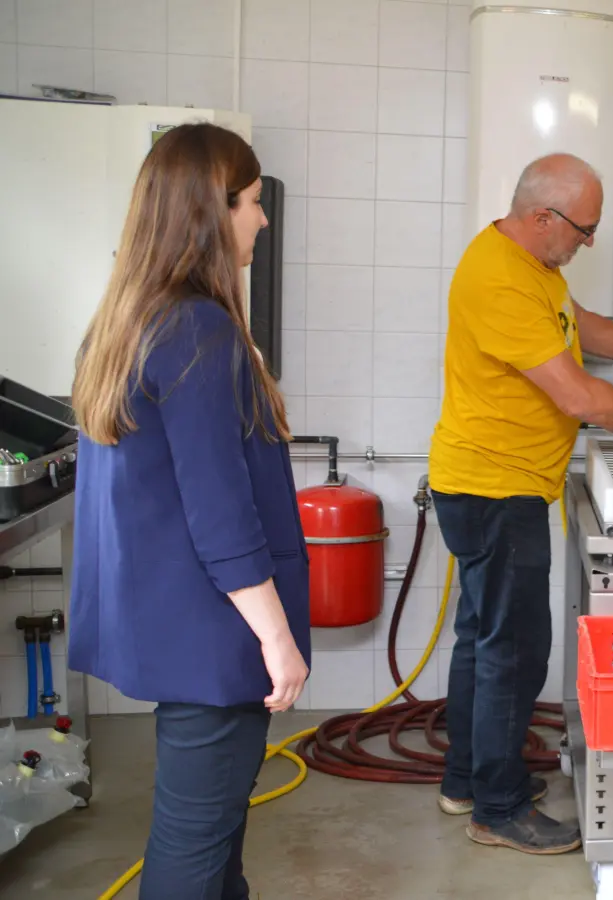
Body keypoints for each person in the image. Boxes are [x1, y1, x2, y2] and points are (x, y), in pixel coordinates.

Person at [427, 152, 613, 855]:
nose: (588, 242)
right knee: (515, 650)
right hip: (498, 489)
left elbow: (578, 324)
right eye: (583, 230)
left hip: (490, 482)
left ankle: (466, 780)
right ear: (542, 217)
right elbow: (579, 396)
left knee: (482, 640)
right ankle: (497, 811)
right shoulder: (498, 279)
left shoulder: (531, 268)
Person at [68, 123, 311, 899]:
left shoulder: (128, 321)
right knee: (193, 849)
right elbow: (220, 510)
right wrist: (278, 640)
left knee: (212, 844)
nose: (262, 219)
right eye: (250, 201)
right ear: (211, 211)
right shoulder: (200, 330)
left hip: (172, 622)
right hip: (218, 632)